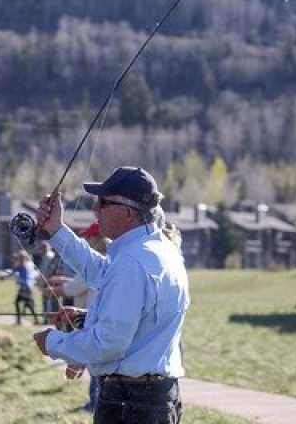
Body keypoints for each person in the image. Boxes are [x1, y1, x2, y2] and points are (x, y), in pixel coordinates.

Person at [32, 166, 190, 424]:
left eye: (103, 203)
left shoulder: (130, 262)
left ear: (128, 213)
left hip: (130, 404)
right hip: (156, 399)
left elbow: (108, 344)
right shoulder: (157, 250)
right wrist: (56, 230)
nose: (95, 209)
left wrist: (52, 342)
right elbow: (102, 274)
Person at [45, 221, 110, 413]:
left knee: (95, 366)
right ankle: (95, 403)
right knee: (94, 365)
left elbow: (76, 286)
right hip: (88, 317)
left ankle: (95, 403)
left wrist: (55, 290)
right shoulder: (102, 261)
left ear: (99, 238)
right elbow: (79, 282)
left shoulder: (101, 261)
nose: (86, 240)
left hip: (94, 322)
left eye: (89, 236)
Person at [9, 249, 39, 325]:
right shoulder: (28, 264)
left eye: (21, 257)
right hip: (25, 288)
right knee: (26, 303)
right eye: (19, 257)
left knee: (25, 303)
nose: (20, 258)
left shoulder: (24, 266)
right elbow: (13, 272)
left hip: (26, 288)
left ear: (25, 257)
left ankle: (21, 320)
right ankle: (34, 320)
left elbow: (16, 273)